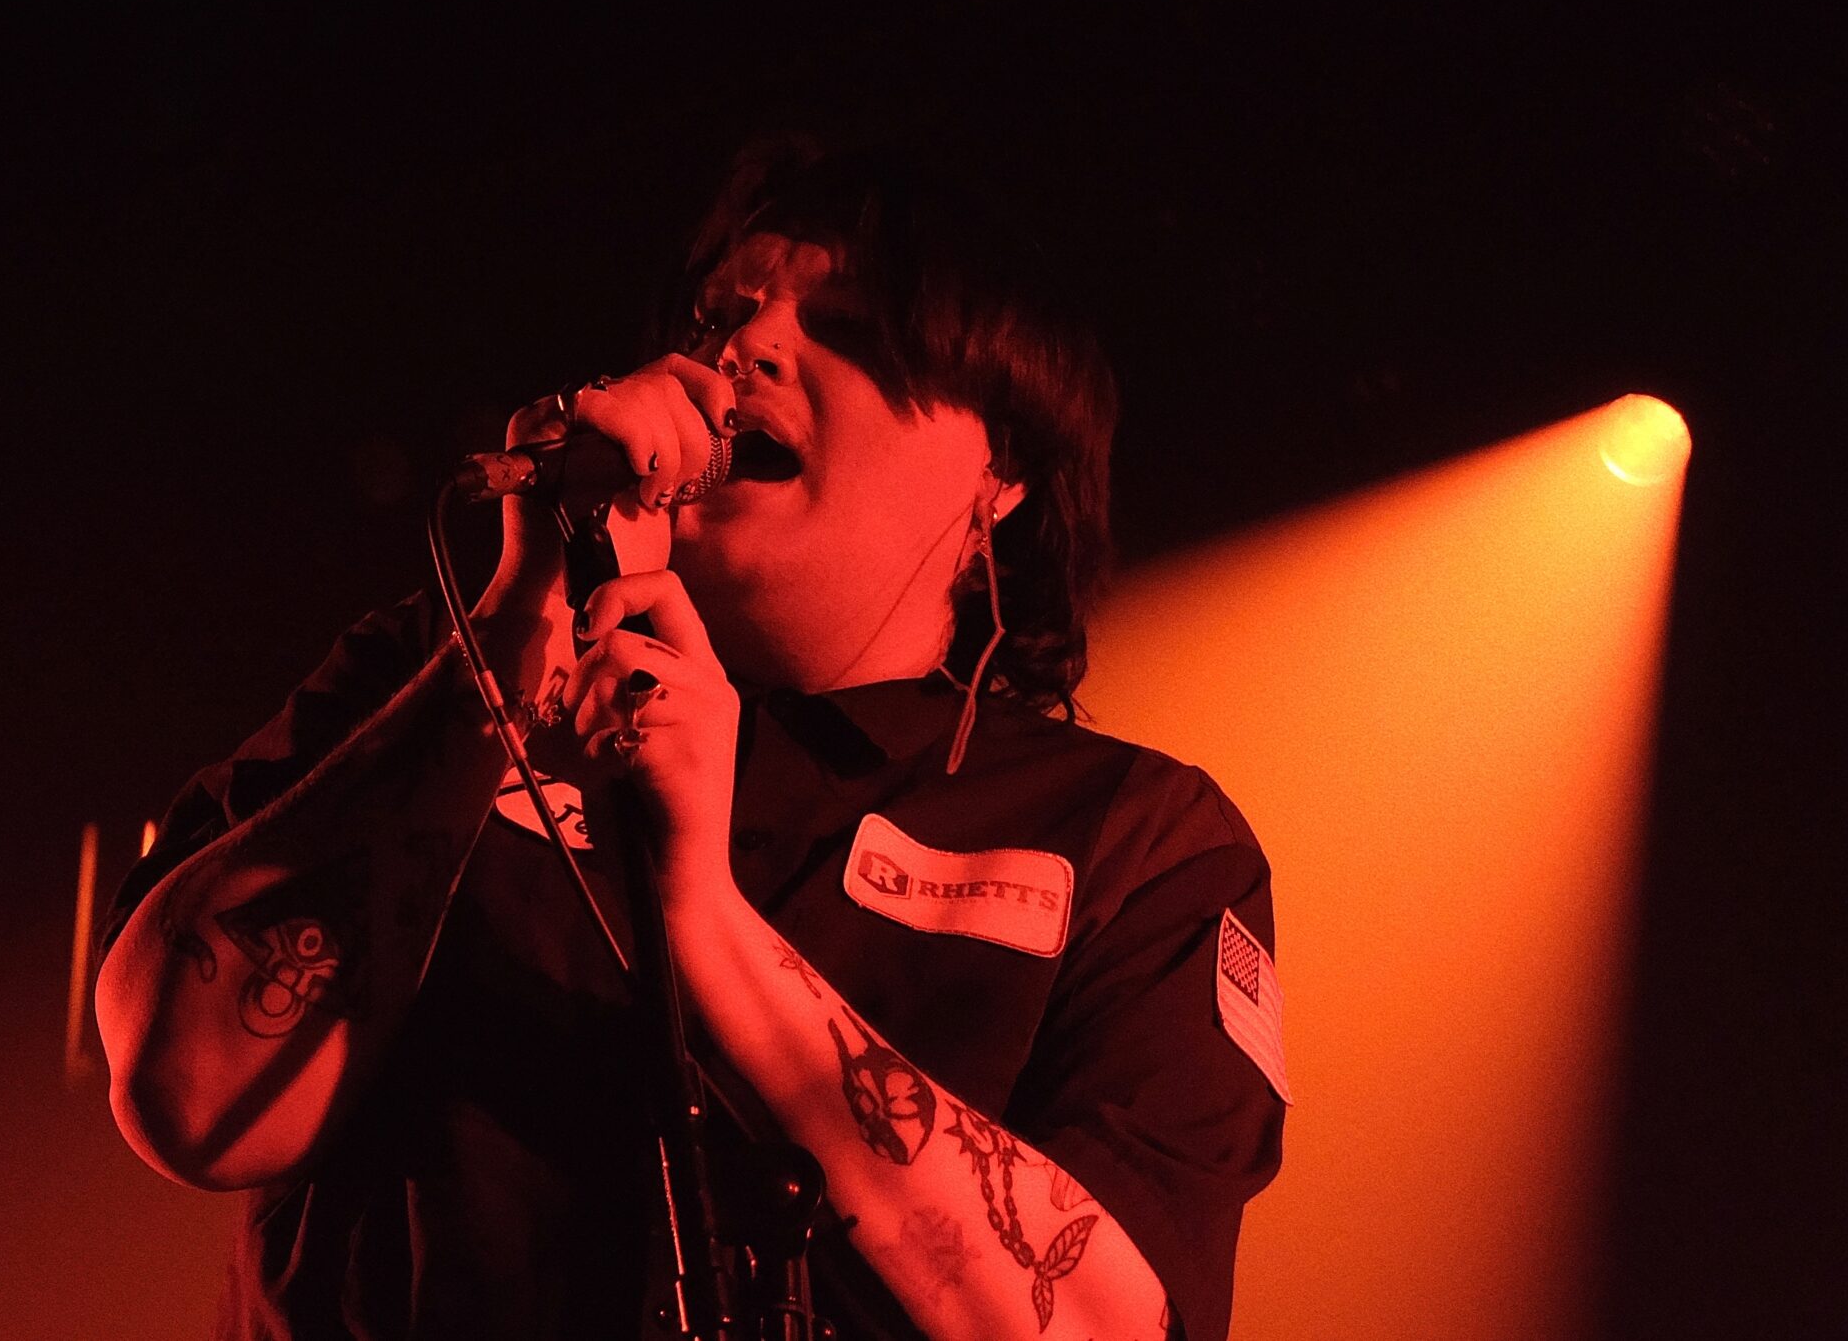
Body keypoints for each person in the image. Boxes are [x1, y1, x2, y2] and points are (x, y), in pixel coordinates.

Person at [94, 141, 1289, 1340]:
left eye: (852, 330)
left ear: (1005, 471)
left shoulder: (1131, 841)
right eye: (723, 314)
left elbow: (1109, 1322)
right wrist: (514, 629)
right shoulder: (444, 667)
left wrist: (704, 918)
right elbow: (190, 1100)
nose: (746, 348)